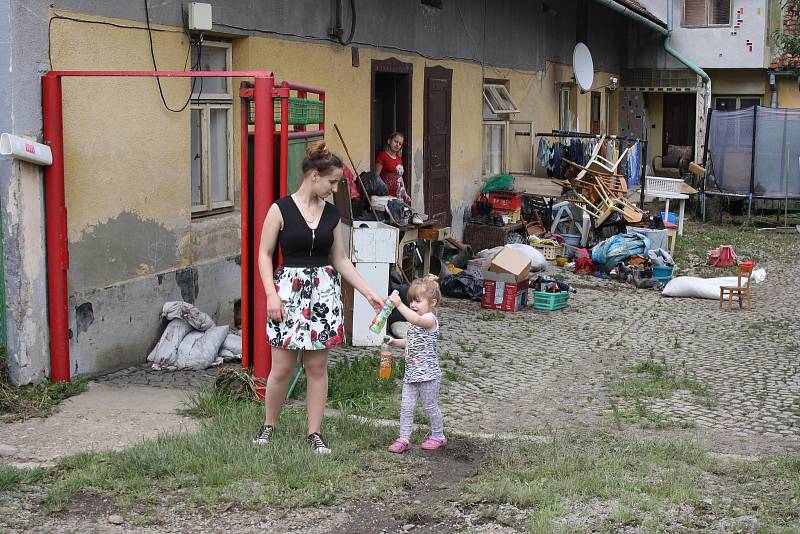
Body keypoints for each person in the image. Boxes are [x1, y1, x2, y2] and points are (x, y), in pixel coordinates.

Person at [253, 141, 385, 454]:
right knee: (282, 369)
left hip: (324, 295)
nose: (335, 188)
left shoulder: (332, 214)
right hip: (287, 294)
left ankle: (314, 433)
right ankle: (268, 426)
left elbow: (339, 258)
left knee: (317, 368)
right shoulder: (280, 209)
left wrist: (368, 293)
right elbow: (264, 254)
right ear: (314, 175)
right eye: (332, 182)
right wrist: (271, 295)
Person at [385, 275, 447, 452]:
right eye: (411, 301)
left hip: (428, 375)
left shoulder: (429, 320)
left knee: (430, 406)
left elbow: (417, 320)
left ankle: (438, 436)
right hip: (411, 374)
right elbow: (412, 342)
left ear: (432, 302)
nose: (413, 305)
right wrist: (395, 342)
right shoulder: (414, 323)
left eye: (417, 301)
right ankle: (404, 438)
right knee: (406, 406)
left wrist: (399, 305)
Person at [375, 132, 412, 203]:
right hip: (386, 195)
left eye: (400, 143)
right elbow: (376, 176)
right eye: (395, 141)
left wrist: (405, 194)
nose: (397, 145)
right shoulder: (382, 156)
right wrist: (381, 193)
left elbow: (400, 177)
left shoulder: (399, 158)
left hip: (398, 196)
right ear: (389, 141)